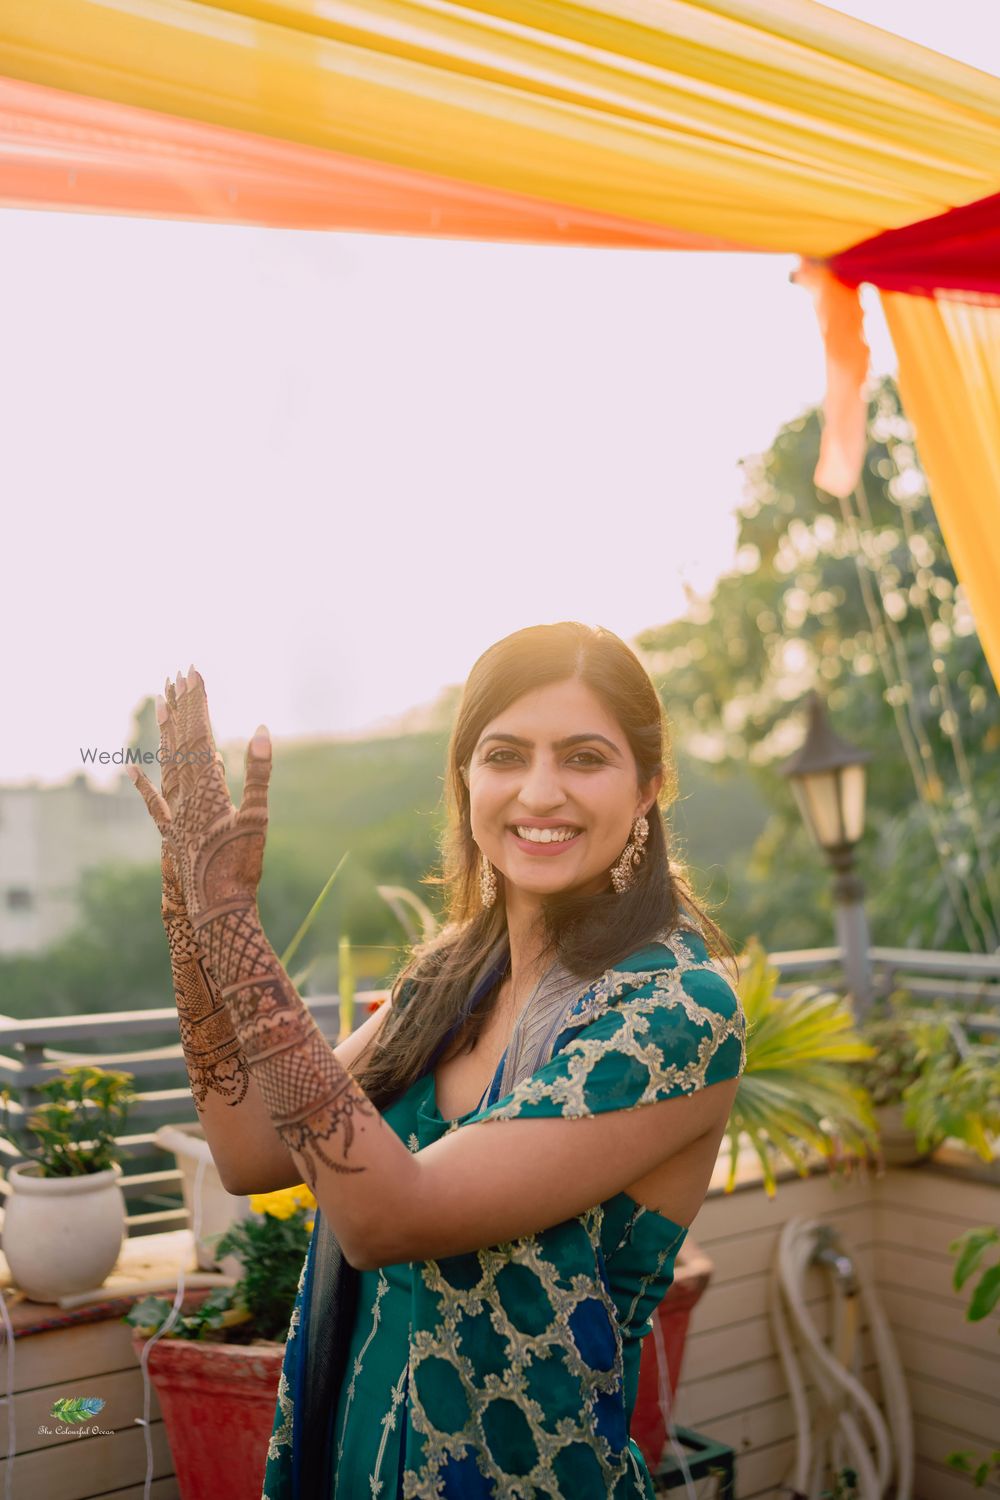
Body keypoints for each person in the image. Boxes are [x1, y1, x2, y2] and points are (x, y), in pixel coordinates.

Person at [127, 621, 747, 1500]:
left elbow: (388, 1218)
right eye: (504, 755)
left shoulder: (675, 1011)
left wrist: (232, 921)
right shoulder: (446, 980)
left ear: (648, 787)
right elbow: (250, 1154)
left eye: (583, 758)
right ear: (465, 779)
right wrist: (189, 914)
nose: (540, 791)